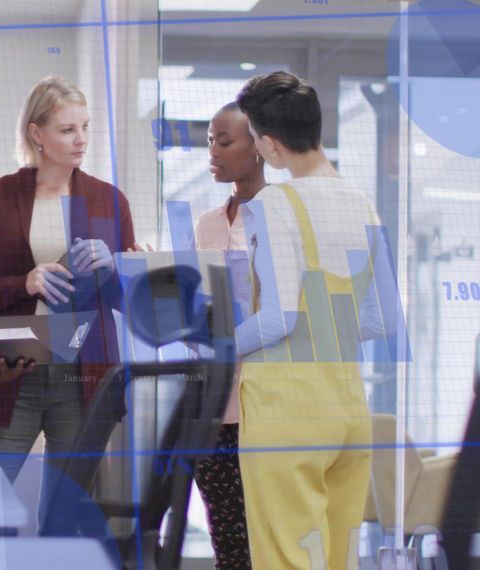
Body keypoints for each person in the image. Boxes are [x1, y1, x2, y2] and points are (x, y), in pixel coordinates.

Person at [233, 71, 397, 569]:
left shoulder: (274, 203)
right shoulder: (361, 201)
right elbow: (382, 318)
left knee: (286, 557)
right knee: (336, 558)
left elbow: (279, 317)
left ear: (270, 144)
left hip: (286, 412)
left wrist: (216, 343)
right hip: (348, 407)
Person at [0, 76, 135, 522]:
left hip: (85, 378)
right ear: (36, 133)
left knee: (68, 519)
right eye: (67, 129)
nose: (81, 141)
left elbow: (126, 303)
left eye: (85, 127)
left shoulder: (108, 201)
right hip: (10, 372)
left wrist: (120, 268)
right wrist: (26, 282)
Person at [191, 101, 266, 570]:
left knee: (269, 543)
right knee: (229, 548)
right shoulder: (206, 224)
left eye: (224, 142)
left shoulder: (283, 221)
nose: (213, 153)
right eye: (209, 143)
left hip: (267, 408)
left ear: (259, 147)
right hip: (213, 407)